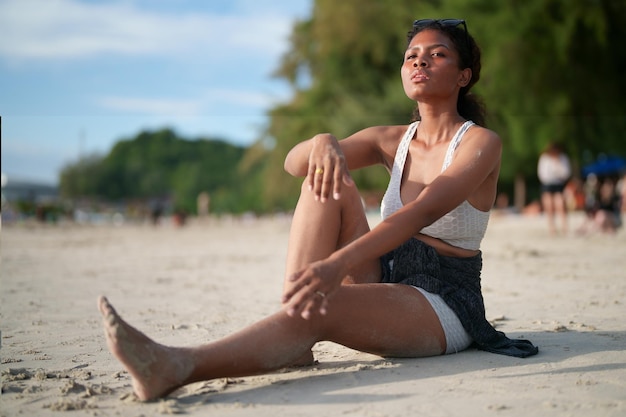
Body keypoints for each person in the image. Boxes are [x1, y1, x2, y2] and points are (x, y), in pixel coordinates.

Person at [98, 18, 538, 402]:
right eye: (411, 56)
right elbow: (294, 163)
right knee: (323, 175)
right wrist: (324, 143)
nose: (419, 62)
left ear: (463, 76)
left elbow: (417, 215)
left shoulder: (480, 143)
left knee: (323, 304)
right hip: (384, 274)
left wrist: (335, 266)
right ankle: (296, 327)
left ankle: (178, 366)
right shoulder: (390, 139)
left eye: (436, 55)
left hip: (443, 301)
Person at [537, 142, 572, 235]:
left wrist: (557, 166)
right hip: (547, 184)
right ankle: (551, 227)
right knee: (549, 206)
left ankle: (564, 226)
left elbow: (566, 173)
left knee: (560, 205)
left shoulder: (562, 158)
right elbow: (543, 174)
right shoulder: (545, 158)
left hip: (558, 184)